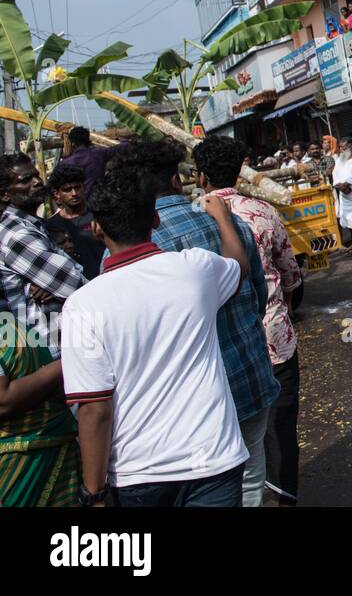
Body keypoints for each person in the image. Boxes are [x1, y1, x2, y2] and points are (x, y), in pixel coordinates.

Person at [62, 169, 251, 507]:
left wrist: (94, 493)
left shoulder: (81, 305)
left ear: (96, 229)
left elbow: (94, 410)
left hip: (138, 473)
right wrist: (223, 219)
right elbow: (239, 265)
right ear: (155, 219)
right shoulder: (195, 269)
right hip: (212, 458)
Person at [111, 140, 277, 507]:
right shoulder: (227, 221)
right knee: (249, 481)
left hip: (183, 402)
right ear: (176, 179)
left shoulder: (129, 246)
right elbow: (256, 295)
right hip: (246, 375)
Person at [193, 137, 303, 507]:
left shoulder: (192, 218)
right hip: (274, 337)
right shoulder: (263, 211)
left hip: (222, 347)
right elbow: (290, 274)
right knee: (281, 426)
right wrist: (280, 310)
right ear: (241, 169)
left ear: (200, 174)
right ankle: (283, 495)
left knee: (234, 432)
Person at [0, 285, 80, 506]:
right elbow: (3, 401)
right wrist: (66, 363)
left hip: (51, 457)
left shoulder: (14, 327)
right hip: (18, 466)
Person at [0, 155, 85, 357]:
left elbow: (66, 275)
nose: (37, 182)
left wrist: (51, 281)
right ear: (4, 195)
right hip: (52, 345)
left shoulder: (32, 224)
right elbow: (74, 283)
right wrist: (60, 277)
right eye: (25, 180)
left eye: (36, 175)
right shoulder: (17, 234)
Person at [41, 164, 104, 280]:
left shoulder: (100, 214)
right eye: (67, 190)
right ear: (57, 194)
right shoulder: (51, 226)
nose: (74, 193)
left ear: (84, 188)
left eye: (77, 187)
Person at [54, 126, 123, 192]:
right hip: (100, 198)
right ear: (88, 140)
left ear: (72, 143)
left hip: (79, 201)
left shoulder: (65, 164)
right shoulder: (100, 154)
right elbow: (123, 146)